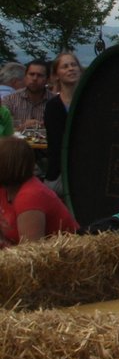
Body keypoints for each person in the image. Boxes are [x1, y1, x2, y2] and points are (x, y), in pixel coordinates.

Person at [0, 137, 78, 247]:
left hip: (64, 255)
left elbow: (30, 252)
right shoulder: (4, 189)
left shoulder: (30, 196)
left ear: (7, 167)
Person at [41, 52, 81, 187]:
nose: (71, 68)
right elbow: (56, 142)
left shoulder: (90, 102)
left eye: (73, 65)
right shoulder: (53, 106)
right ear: (57, 75)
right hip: (60, 173)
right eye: (65, 66)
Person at [4, 59, 51, 134]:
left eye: (40, 75)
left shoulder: (55, 101)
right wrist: (22, 127)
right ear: (25, 77)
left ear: (47, 80)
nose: (35, 78)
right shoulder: (10, 100)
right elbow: (3, 130)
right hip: (18, 141)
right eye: (31, 74)